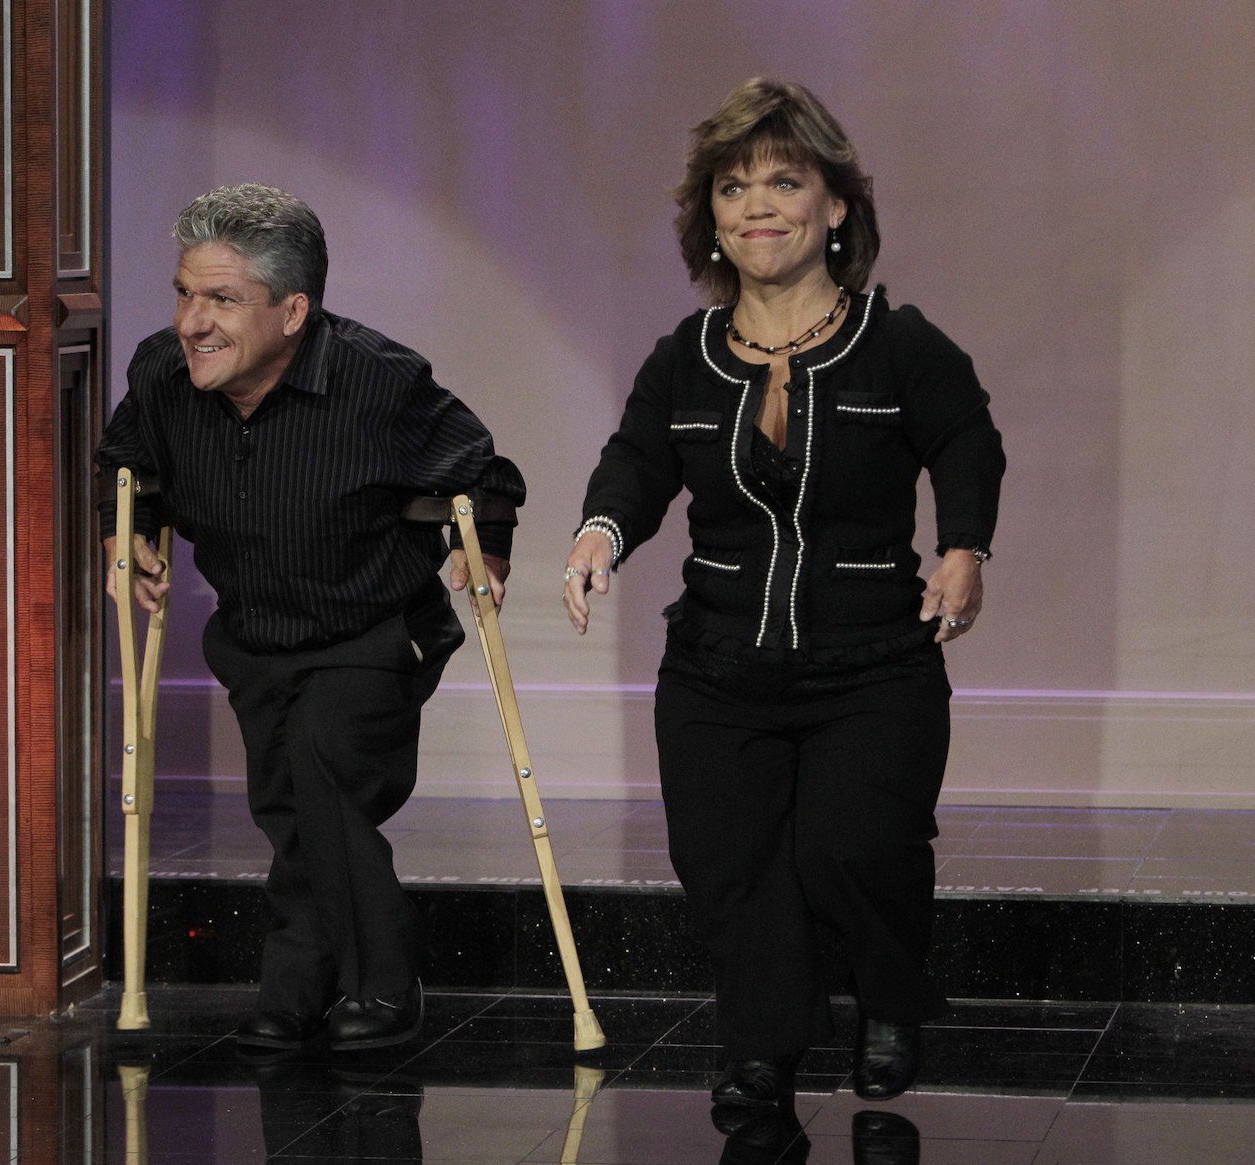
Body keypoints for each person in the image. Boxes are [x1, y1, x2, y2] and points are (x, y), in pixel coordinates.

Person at [564, 78, 1004, 1111]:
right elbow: (635, 463)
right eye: (733, 186)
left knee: (853, 847)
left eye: (784, 180)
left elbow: (967, 439)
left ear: (836, 205)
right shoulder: (687, 357)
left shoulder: (898, 345)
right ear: (709, 217)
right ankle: (762, 1046)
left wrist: (965, 548)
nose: (757, 204)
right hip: (717, 665)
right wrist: (598, 531)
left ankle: (889, 1000)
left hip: (873, 663)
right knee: (732, 863)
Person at [98, 183, 525, 1053]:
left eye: (222, 299)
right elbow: (126, 459)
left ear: (293, 310)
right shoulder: (161, 374)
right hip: (257, 632)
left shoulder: (377, 379)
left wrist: (482, 545)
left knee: (324, 769)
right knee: (289, 803)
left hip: (373, 625)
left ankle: (382, 985)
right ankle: (298, 991)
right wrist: (130, 529)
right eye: (184, 293)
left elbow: (482, 469)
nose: (192, 322)